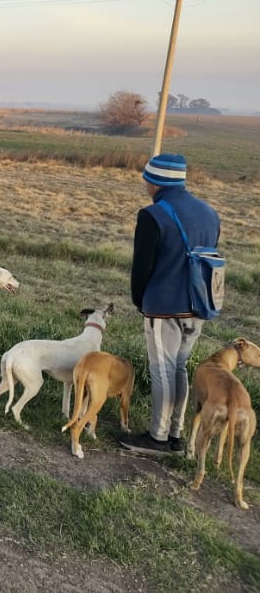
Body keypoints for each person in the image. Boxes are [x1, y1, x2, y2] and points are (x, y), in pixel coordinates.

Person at [122, 153, 221, 456]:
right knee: (180, 368)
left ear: (156, 182)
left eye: (147, 179)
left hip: (164, 306)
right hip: (199, 305)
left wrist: (140, 299)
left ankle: (158, 438)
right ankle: (176, 434)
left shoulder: (152, 215)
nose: (145, 185)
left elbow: (142, 267)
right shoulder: (210, 213)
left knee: (162, 370)